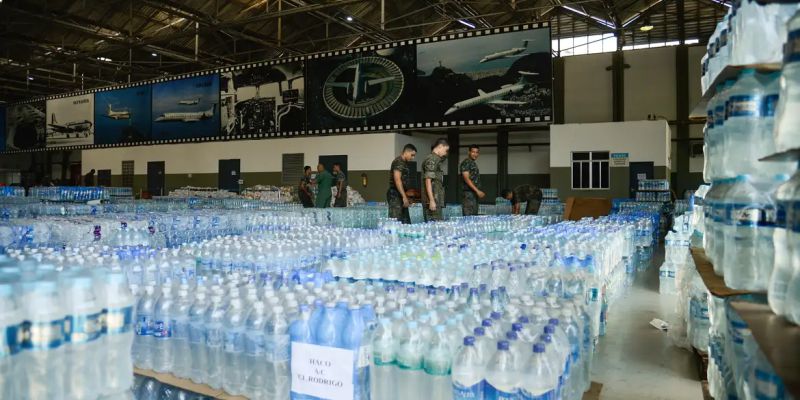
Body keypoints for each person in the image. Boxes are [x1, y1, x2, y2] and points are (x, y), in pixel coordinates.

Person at [388, 144, 417, 224]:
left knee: (405, 221)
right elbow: (397, 180)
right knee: (396, 221)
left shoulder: (404, 163)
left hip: (401, 194)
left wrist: (406, 196)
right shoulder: (399, 162)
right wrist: (404, 197)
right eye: (412, 155)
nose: (413, 158)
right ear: (406, 152)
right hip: (395, 194)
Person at [422, 138, 449, 222]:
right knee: (434, 226)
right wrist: (431, 200)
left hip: (437, 198)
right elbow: (428, 180)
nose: (445, 153)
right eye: (446, 150)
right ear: (440, 146)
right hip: (433, 199)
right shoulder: (432, 160)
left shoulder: (436, 159)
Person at [460, 145, 485, 216]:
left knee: (473, 216)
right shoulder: (466, 162)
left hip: (473, 194)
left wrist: (476, 191)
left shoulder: (472, 163)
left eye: (477, 152)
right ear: (469, 152)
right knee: (469, 218)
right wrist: (477, 191)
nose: (475, 154)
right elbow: (466, 178)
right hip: (469, 194)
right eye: (473, 152)